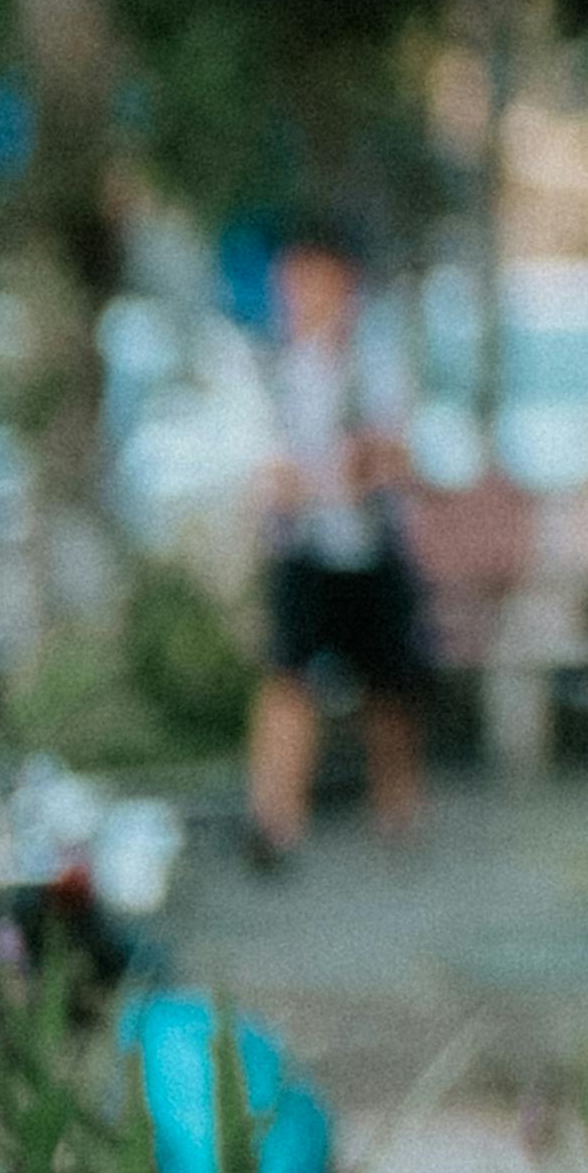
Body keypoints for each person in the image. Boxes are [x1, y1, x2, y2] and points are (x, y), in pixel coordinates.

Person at [243, 233, 424, 868]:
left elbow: (397, 455)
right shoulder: (274, 370)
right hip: (307, 550)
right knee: (289, 680)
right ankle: (274, 818)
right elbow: (267, 475)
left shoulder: (378, 365)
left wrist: (358, 466)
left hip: (373, 549)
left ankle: (397, 815)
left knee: (390, 688)